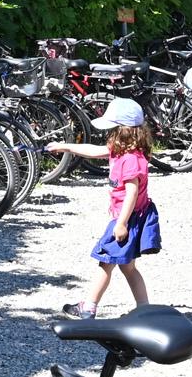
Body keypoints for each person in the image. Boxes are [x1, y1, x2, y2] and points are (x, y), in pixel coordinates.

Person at [47, 97, 159, 318]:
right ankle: (145, 310)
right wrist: (65, 147)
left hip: (127, 218)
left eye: (112, 128)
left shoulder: (130, 159)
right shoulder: (122, 150)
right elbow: (94, 150)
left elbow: (132, 193)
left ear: (123, 131)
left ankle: (88, 308)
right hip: (128, 217)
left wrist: (121, 224)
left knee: (105, 262)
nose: (108, 133)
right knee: (128, 268)